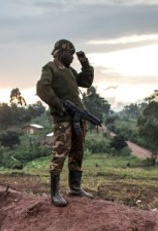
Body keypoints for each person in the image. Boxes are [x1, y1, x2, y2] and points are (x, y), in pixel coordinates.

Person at [36, 39, 94, 207]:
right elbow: (42, 88)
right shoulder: (51, 68)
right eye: (70, 53)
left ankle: (75, 187)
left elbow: (86, 82)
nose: (72, 57)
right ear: (60, 52)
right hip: (63, 120)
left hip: (78, 118)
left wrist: (85, 63)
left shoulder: (70, 71)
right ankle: (55, 193)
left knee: (78, 151)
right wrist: (58, 105)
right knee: (60, 153)